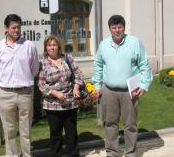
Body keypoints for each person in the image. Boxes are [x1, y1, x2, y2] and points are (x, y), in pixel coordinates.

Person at [92, 14, 152, 157]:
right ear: (110, 29)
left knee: (130, 124)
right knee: (110, 123)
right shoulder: (103, 45)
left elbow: (144, 65)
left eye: (120, 27)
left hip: (130, 91)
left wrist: (143, 85)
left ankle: (130, 152)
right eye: (114, 27)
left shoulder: (135, 42)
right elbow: (98, 65)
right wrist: (96, 86)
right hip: (109, 91)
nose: (117, 30)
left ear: (124, 28)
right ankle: (112, 152)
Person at [0, 14, 39, 157]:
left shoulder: (29, 46)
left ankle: (26, 155)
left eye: (19, 27)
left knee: (26, 131)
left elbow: (34, 68)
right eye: (14, 27)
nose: (17, 30)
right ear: (6, 28)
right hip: (6, 94)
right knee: (9, 131)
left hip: (25, 93)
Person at [38, 35, 84, 157]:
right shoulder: (43, 63)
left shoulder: (67, 58)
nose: (52, 47)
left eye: (54, 45)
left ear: (58, 46)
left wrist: (76, 87)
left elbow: (78, 74)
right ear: (45, 48)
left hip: (70, 102)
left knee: (71, 132)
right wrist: (55, 93)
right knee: (55, 133)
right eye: (49, 45)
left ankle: (72, 154)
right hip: (52, 105)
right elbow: (41, 85)